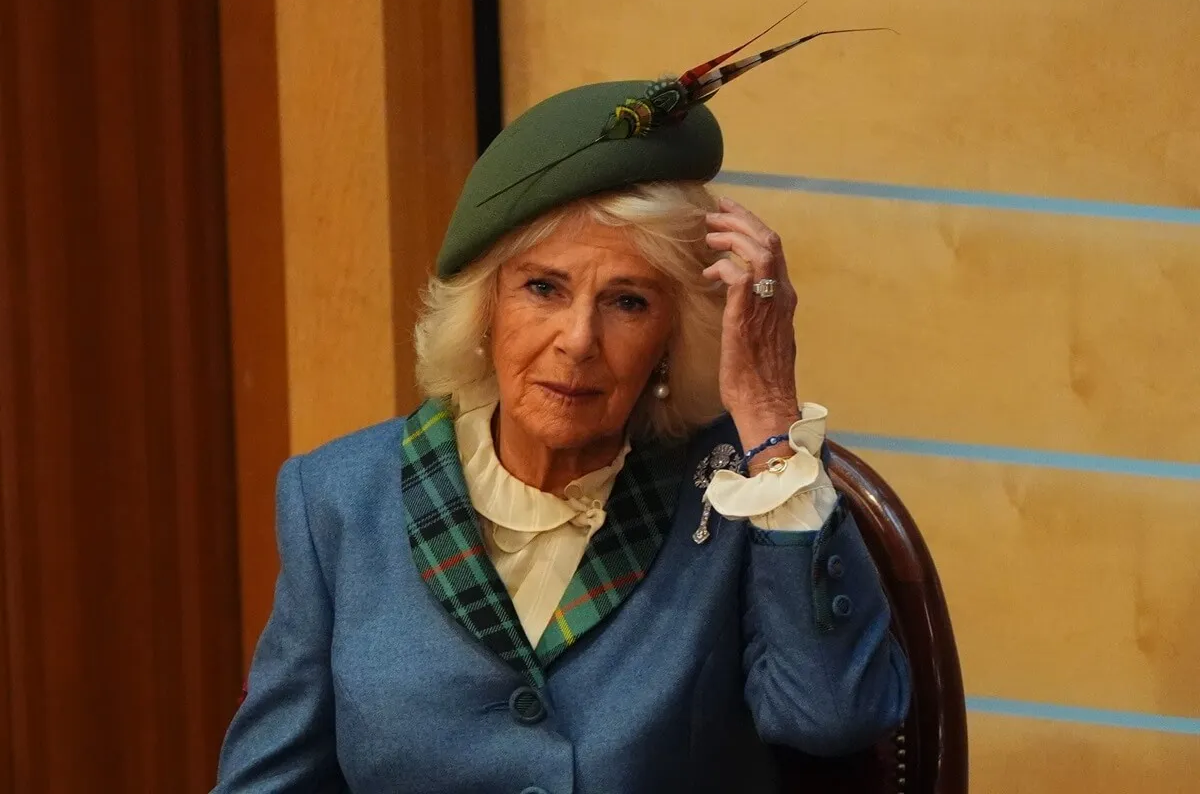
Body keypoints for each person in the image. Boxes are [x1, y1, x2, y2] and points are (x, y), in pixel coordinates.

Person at [213, 72, 910, 794]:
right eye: (543, 288)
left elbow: (834, 717)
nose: (578, 341)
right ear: (485, 308)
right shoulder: (340, 499)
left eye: (628, 302)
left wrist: (769, 421)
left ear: (673, 336)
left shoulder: (740, 497)